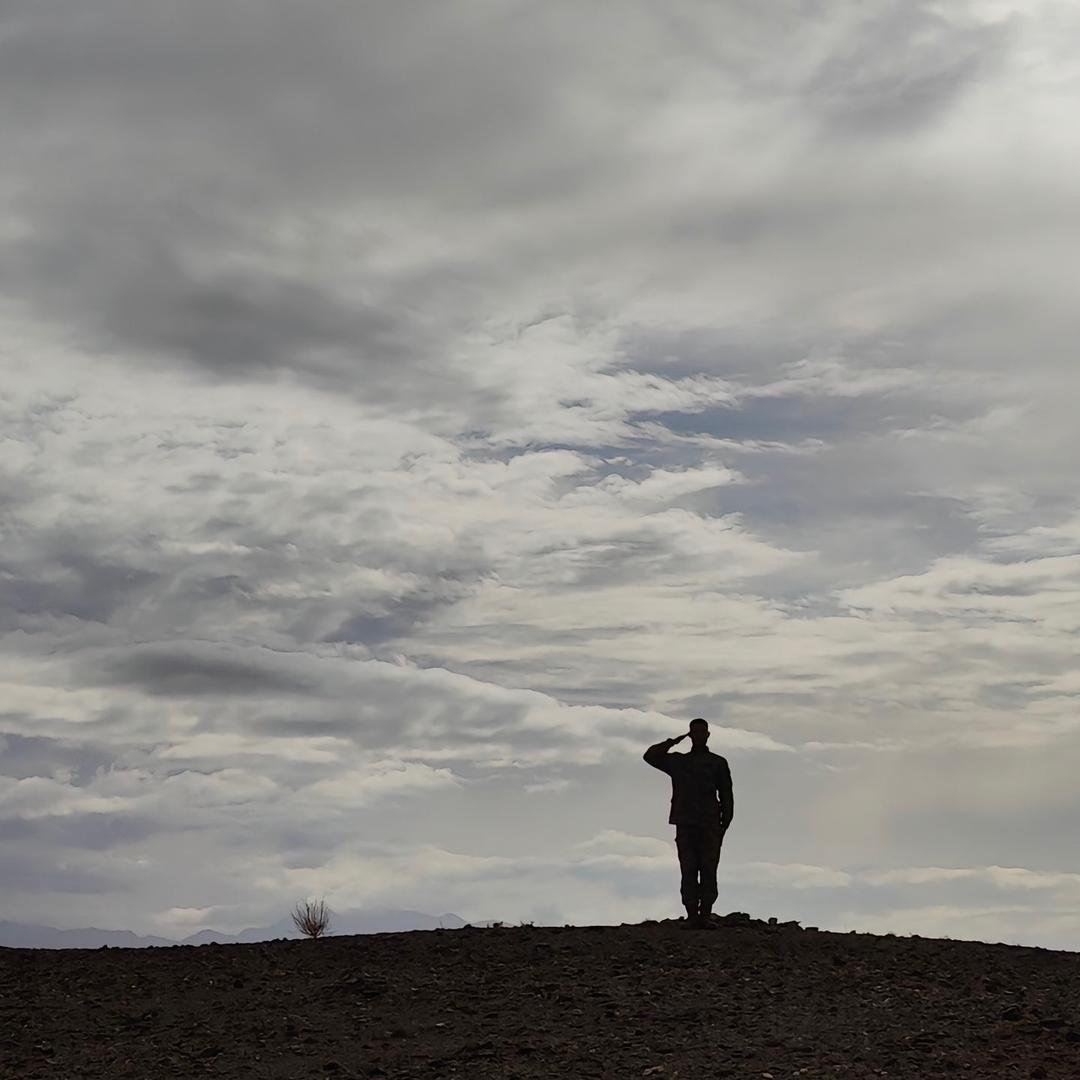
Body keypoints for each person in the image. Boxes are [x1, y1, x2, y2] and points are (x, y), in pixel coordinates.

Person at [643, 718, 734, 929]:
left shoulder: (717, 762)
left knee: (709, 869)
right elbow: (650, 756)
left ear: (708, 735)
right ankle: (692, 915)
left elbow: (726, 794)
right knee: (689, 869)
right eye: (695, 732)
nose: (699, 736)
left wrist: (725, 822)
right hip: (685, 823)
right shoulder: (678, 762)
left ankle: (706, 915)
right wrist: (673, 741)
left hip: (710, 823)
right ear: (690, 735)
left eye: (702, 732)